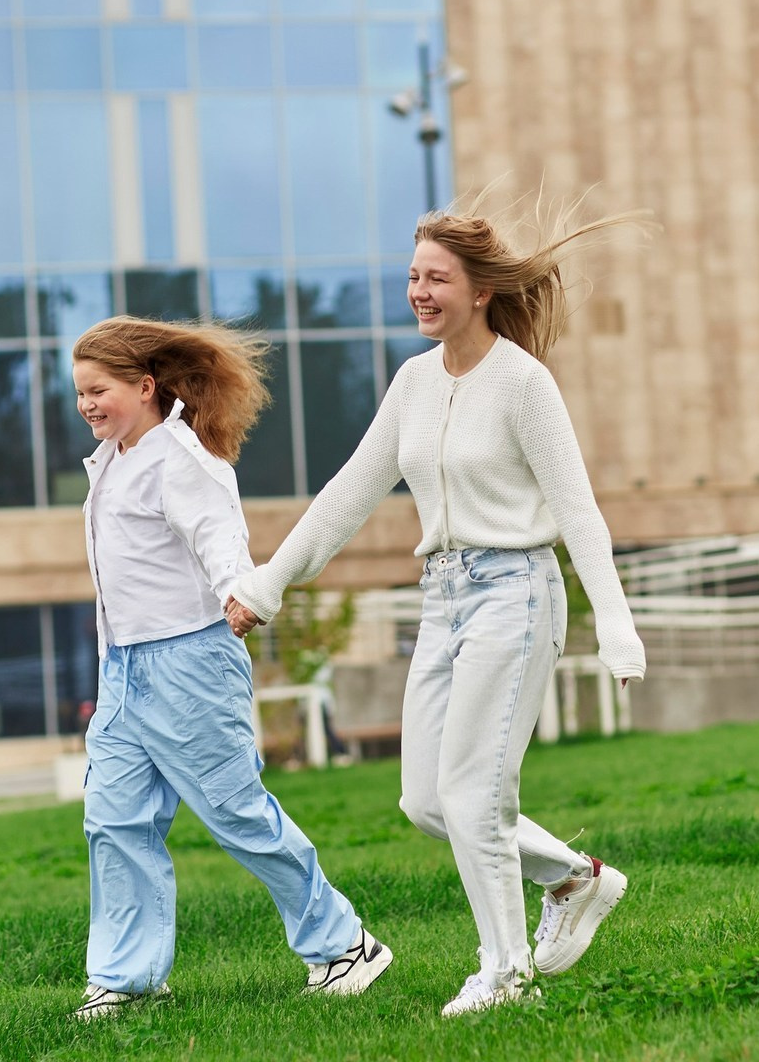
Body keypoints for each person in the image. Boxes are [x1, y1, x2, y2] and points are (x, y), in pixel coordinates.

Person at [226, 199, 647, 1017]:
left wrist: (617, 626)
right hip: (443, 600)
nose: (419, 291)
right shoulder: (413, 383)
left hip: (516, 595)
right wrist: (267, 582)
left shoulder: (524, 383)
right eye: (413, 276)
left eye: (436, 278)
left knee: (472, 799)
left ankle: (505, 974)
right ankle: (574, 878)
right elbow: (348, 495)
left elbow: (580, 510)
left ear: (481, 289)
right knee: (426, 801)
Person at [71, 316, 392, 1020]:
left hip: (190, 662)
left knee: (237, 814)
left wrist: (239, 589)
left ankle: (344, 945)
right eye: (80, 394)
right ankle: (127, 980)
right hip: (123, 671)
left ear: (145, 386)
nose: (86, 405)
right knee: (115, 821)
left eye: (98, 390)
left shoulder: (179, 458)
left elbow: (219, 533)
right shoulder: (115, 461)